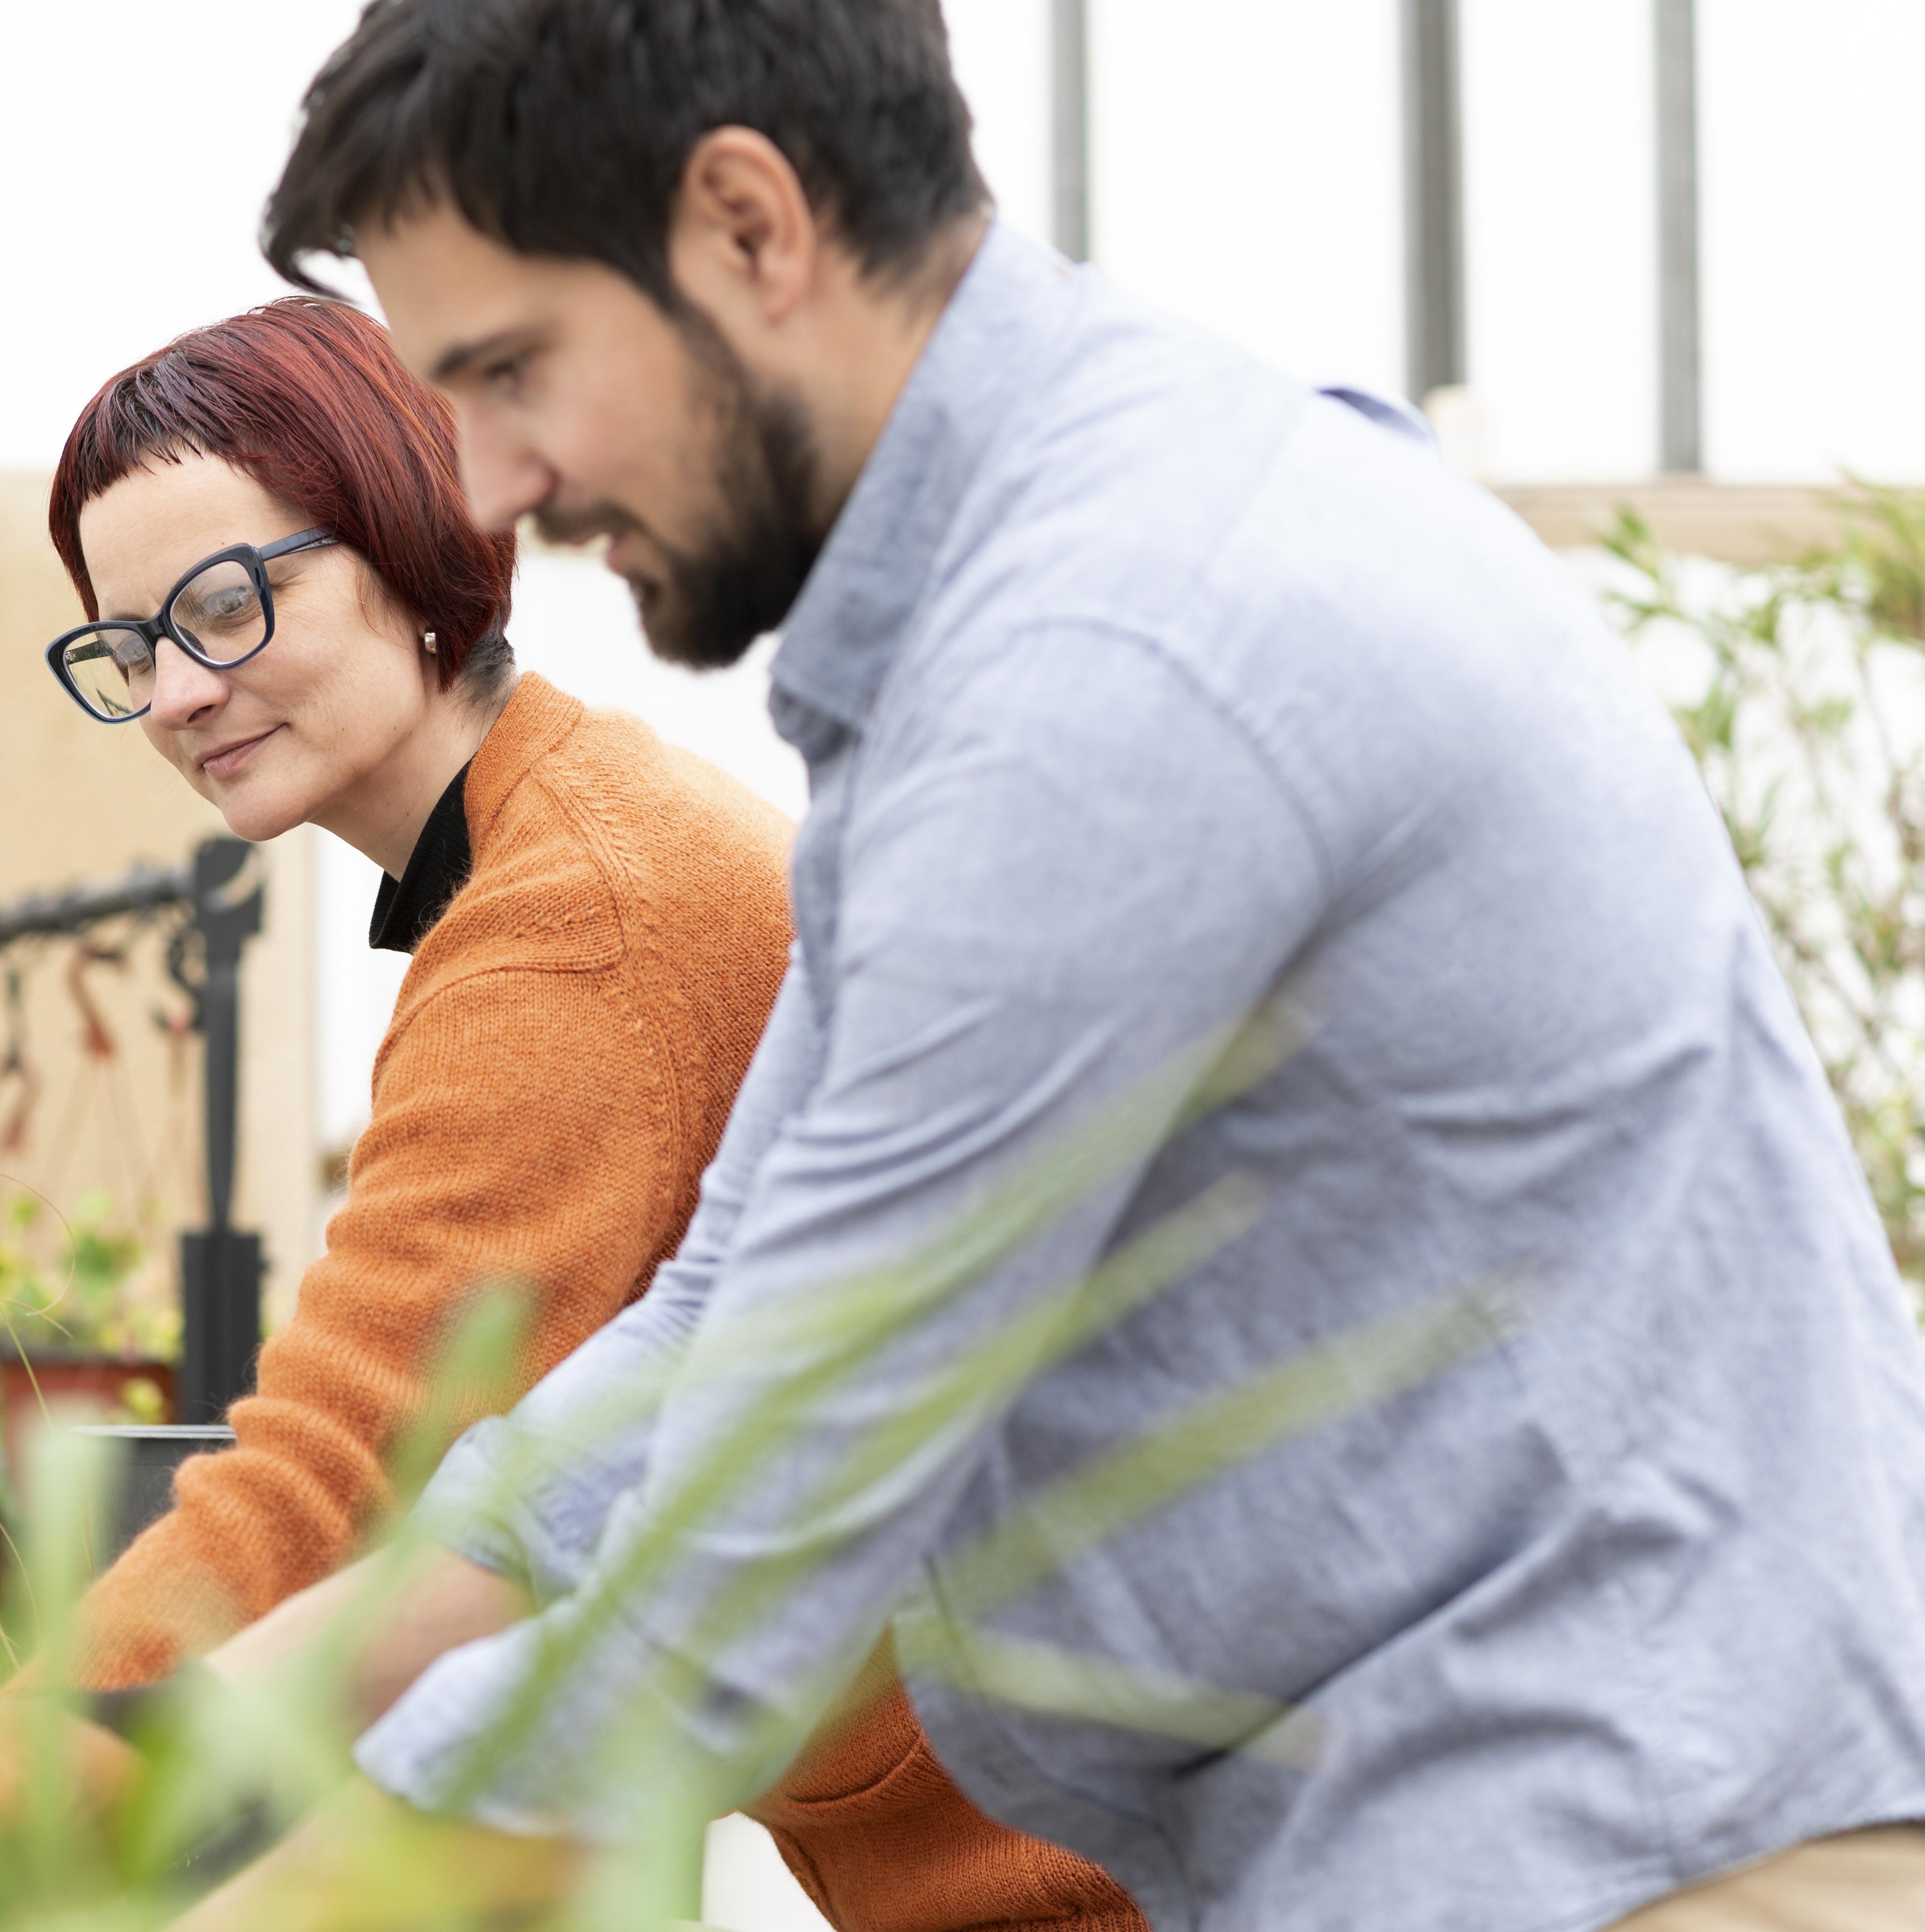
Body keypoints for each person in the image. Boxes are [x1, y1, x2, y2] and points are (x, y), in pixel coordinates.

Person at [172, 3, 1925, 1929]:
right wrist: (171, 1742)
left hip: (1651, 1858)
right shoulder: (1013, 606)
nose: (492, 484)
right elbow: (716, 1342)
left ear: (751, 226)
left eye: (512, 373)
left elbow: (763, 1531)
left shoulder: (1114, 658)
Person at [0, 295, 1144, 1931]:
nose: (179, 689)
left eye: (228, 602)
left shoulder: (573, 921)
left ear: (410, 538)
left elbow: (348, 1486)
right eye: (129, 647)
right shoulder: (572, 830)